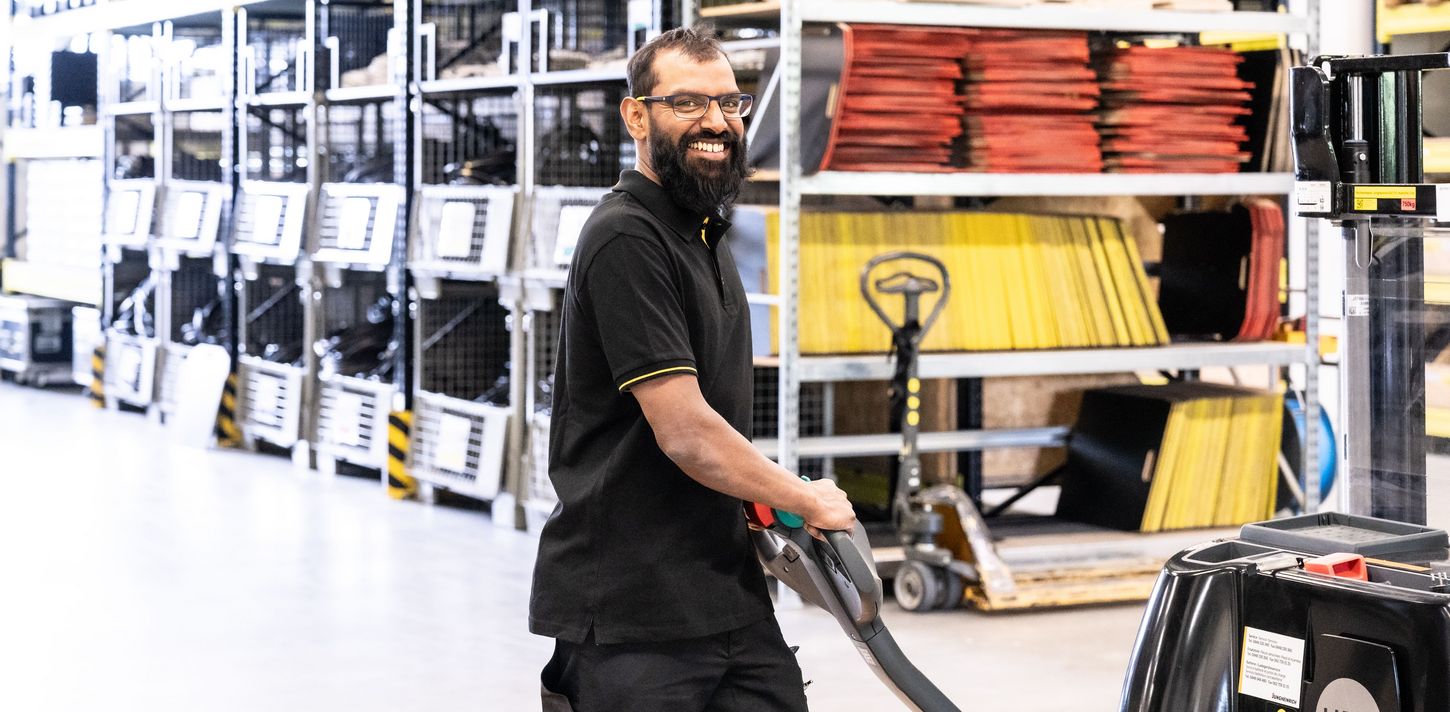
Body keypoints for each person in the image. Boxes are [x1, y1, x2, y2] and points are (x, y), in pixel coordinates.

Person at [528, 25, 858, 712]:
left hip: (723, 589)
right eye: (687, 103)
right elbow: (685, 432)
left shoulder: (702, 233)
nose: (715, 122)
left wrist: (760, 498)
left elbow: (713, 420)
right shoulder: (626, 237)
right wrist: (804, 497)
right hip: (633, 611)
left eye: (729, 103)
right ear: (636, 116)